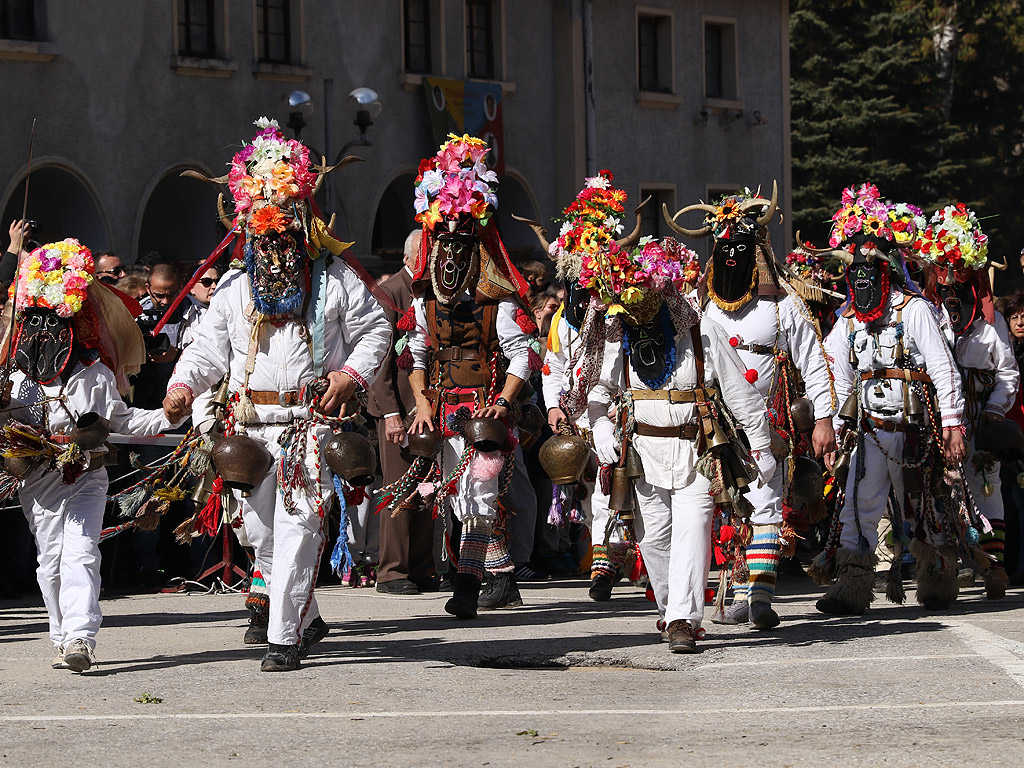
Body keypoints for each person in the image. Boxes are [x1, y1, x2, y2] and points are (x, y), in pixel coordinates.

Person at [164, 117, 391, 672]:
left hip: (310, 427)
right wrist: (181, 385)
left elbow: (377, 331)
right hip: (248, 427)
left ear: (301, 229)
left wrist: (351, 377)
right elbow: (204, 350)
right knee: (257, 532)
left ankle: (284, 638)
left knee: (298, 529)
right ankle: (307, 615)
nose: (274, 248)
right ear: (249, 234)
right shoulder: (235, 286)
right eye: (263, 237)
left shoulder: (336, 278)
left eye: (283, 236)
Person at [586, 235, 775, 653]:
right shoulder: (622, 333)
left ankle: (682, 621)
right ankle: (672, 608)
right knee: (653, 539)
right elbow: (598, 390)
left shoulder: (701, 329)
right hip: (644, 454)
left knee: (692, 531)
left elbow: (740, 394)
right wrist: (599, 426)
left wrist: (760, 447)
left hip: (696, 453)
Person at [663, 184, 837, 630]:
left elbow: (815, 362)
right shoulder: (695, 303)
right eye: (724, 248)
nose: (732, 256)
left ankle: (759, 594)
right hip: (709, 426)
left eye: (741, 247)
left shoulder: (784, 306)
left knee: (764, 506)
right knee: (712, 508)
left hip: (766, 423)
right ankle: (718, 596)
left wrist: (823, 419)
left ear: (756, 249)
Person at [0, 238, 171, 672]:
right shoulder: (15, 376)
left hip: (85, 477)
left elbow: (120, 421)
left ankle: (80, 637)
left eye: (51, 323)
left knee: (79, 553)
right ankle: (61, 634)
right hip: (35, 480)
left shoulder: (93, 373)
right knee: (49, 561)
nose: (43, 333)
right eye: (34, 322)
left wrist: (168, 416)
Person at [395, 134, 539, 619]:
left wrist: (503, 400)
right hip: (441, 410)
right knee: (458, 499)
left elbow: (522, 356)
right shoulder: (423, 301)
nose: (452, 258)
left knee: (478, 495)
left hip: (483, 412)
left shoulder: (496, 303)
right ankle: (501, 578)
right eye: (445, 248)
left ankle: (466, 587)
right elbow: (414, 355)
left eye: (462, 248)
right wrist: (422, 400)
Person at [815, 183, 965, 615]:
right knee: (858, 502)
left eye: (869, 271)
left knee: (926, 502)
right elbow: (837, 375)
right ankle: (852, 585)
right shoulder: (846, 320)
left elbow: (943, 368)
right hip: (869, 431)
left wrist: (953, 426)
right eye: (853, 273)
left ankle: (937, 579)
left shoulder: (912, 309)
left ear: (885, 272)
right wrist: (837, 427)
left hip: (914, 429)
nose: (860, 280)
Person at [518, 169, 646, 601]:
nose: (578, 286)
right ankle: (603, 561)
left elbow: (613, 368)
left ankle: (621, 560)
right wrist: (554, 406)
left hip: (612, 410)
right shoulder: (559, 317)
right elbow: (552, 364)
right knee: (589, 490)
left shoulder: (613, 312)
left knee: (620, 482)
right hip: (574, 412)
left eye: (585, 278)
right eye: (571, 278)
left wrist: (601, 413)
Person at [915, 203, 1018, 599]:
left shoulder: (990, 330)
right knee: (937, 491)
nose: (951, 294)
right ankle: (947, 570)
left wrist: (994, 411)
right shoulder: (927, 318)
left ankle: (993, 568)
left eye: (960, 287)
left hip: (979, 422)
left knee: (985, 486)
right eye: (945, 287)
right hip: (934, 424)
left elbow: (1007, 374)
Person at [368, 230, 437, 595]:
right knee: (400, 488)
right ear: (411, 257)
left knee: (427, 489)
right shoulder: (389, 293)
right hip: (397, 409)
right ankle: (393, 571)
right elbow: (378, 361)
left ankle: (422, 565)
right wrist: (390, 413)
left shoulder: (428, 290)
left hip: (426, 408)